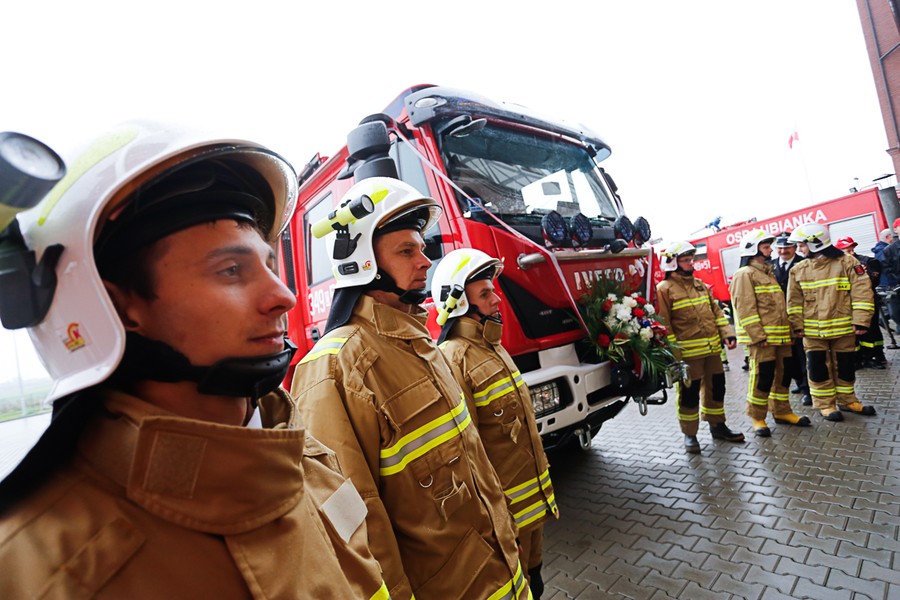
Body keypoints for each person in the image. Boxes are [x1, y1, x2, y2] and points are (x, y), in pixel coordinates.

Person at [0, 123, 390, 599]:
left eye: (269, 265)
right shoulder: (35, 571)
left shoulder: (301, 454)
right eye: (231, 271)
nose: (283, 296)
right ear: (119, 307)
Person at [291, 177, 527, 600]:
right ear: (362, 261)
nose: (425, 261)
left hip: (503, 571)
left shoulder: (423, 343)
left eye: (422, 248)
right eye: (406, 251)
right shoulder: (336, 367)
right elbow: (355, 520)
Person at [433, 248, 557, 600]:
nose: (496, 298)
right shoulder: (454, 357)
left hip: (530, 504)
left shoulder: (493, 345)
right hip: (504, 509)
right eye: (484, 293)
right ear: (459, 303)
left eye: (493, 290)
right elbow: (467, 445)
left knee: (536, 579)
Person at [655, 240, 745, 453]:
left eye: (690, 259)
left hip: (712, 350)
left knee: (717, 389)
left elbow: (717, 313)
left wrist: (727, 333)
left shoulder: (700, 285)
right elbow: (664, 323)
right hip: (688, 355)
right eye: (685, 260)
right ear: (672, 264)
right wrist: (674, 354)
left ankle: (718, 426)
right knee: (689, 394)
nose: (690, 264)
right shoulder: (664, 289)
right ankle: (690, 435)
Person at [787, 223, 878, 421]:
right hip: (813, 332)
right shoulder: (798, 269)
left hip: (843, 328)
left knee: (845, 365)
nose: (799, 249)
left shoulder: (847, 262)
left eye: (802, 245)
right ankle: (825, 405)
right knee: (818, 368)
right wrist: (796, 326)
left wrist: (861, 321)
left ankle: (847, 400)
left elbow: (862, 291)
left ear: (816, 243)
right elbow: (793, 302)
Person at [729, 230, 811, 436]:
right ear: (753, 250)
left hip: (781, 337)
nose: (771, 250)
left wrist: (791, 331)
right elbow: (745, 308)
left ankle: (782, 411)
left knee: (783, 377)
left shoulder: (767, 272)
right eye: (766, 247)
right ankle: (757, 417)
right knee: (762, 377)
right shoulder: (744, 274)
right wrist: (757, 336)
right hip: (763, 340)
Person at [771, 232, 812, 406]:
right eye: (779, 248)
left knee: (803, 355)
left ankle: (808, 390)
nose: (782, 251)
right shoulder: (770, 266)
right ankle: (798, 382)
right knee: (789, 357)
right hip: (779, 320)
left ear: (794, 247)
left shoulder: (803, 264)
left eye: (786, 247)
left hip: (799, 316)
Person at [835, 236, 886, 369]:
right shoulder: (836, 265)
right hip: (847, 304)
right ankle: (857, 359)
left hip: (867, 302)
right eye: (847, 251)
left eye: (852, 250)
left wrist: (865, 274)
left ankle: (875, 357)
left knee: (871, 330)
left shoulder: (868, 261)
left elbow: (874, 282)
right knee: (852, 333)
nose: (851, 253)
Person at [877, 219, 900, 326]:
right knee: (896, 314)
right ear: (895, 230)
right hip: (897, 290)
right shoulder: (889, 251)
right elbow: (886, 270)